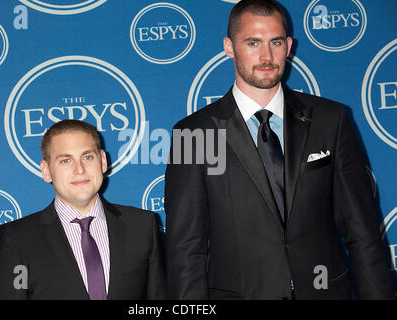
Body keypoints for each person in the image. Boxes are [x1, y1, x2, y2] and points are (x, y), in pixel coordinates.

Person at [165, 0, 395, 299]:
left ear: (288, 46)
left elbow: (362, 230)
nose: (266, 56)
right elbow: (185, 248)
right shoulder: (193, 133)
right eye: (252, 42)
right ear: (229, 47)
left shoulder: (331, 120)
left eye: (275, 42)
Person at [0, 120, 166, 299]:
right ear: (46, 171)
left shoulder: (142, 226)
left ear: (103, 161)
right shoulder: (18, 240)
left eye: (87, 157)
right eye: (66, 160)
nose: (79, 169)